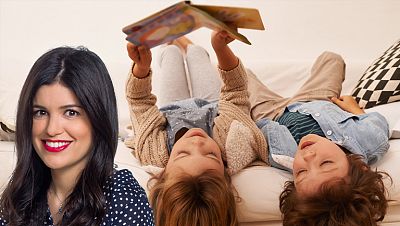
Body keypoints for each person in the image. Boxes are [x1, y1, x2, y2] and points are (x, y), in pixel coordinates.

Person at [124, 31, 268, 226]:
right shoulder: (232, 143)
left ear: (163, 172)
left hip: (171, 107)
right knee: (197, 53)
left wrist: (141, 67)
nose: (198, 142)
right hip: (212, 104)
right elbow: (236, 91)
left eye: (182, 154)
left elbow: (139, 103)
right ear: (226, 173)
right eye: (211, 155)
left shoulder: (154, 153)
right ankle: (185, 40)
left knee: (171, 54)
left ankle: (175, 39)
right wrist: (221, 48)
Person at [0, 46, 154, 226]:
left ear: (99, 118)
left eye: (71, 113)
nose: (52, 129)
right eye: (41, 112)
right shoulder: (21, 194)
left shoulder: (125, 199)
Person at [246, 52, 391, 225]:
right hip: (317, 99)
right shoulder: (370, 141)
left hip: (273, 111)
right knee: (332, 58)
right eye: (326, 163)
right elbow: (377, 122)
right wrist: (355, 109)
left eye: (301, 173)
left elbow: (262, 128)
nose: (307, 158)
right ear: (358, 167)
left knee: (242, 73)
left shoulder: (280, 158)